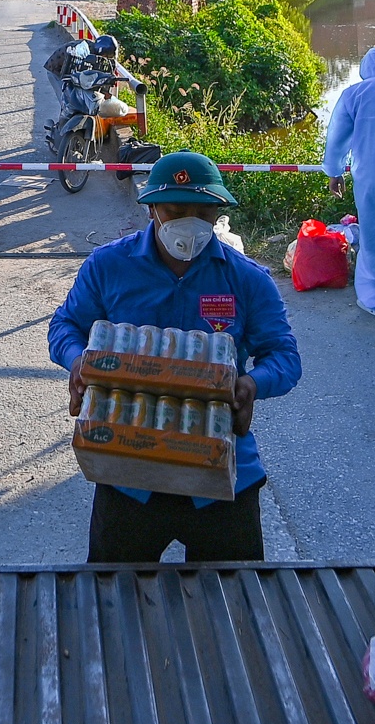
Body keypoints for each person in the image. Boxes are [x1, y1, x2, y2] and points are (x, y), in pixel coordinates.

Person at [48, 152, 303, 563]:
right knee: (115, 591)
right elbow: (65, 326)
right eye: (176, 210)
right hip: (129, 471)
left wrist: (251, 384)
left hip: (221, 476)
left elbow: (284, 356)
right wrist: (79, 362)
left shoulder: (247, 279)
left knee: (232, 595)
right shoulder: (109, 267)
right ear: (151, 208)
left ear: (218, 212)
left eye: (203, 212)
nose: (190, 222)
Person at [322, 45, 375, 317]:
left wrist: (334, 172)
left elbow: (337, 138)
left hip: (370, 177)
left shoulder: (355, 94)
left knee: (373, 237)